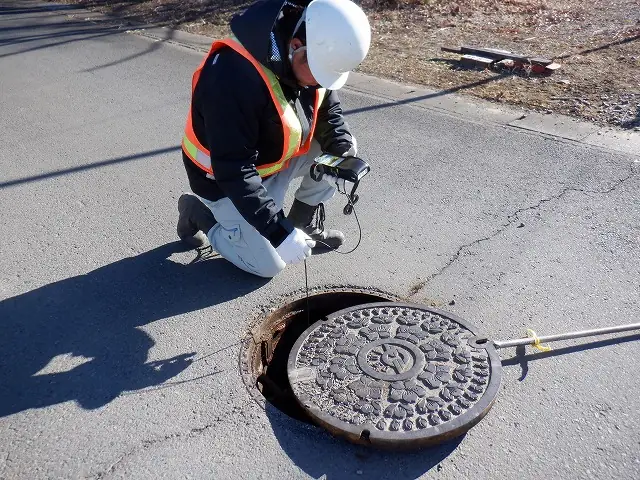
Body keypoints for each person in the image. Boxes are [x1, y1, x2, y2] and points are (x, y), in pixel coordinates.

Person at [177, 0, 371, 278]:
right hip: (223, 181)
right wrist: (278, 233)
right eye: (318, 73)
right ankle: (200, 215)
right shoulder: (231, 76)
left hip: (273, 162)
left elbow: (329, 113)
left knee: (345, 150)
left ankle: (302, 225)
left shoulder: (311, 63)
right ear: (295, 47)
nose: (319, 82)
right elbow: (234, 170)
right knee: (267, 266)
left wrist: (341, 157)